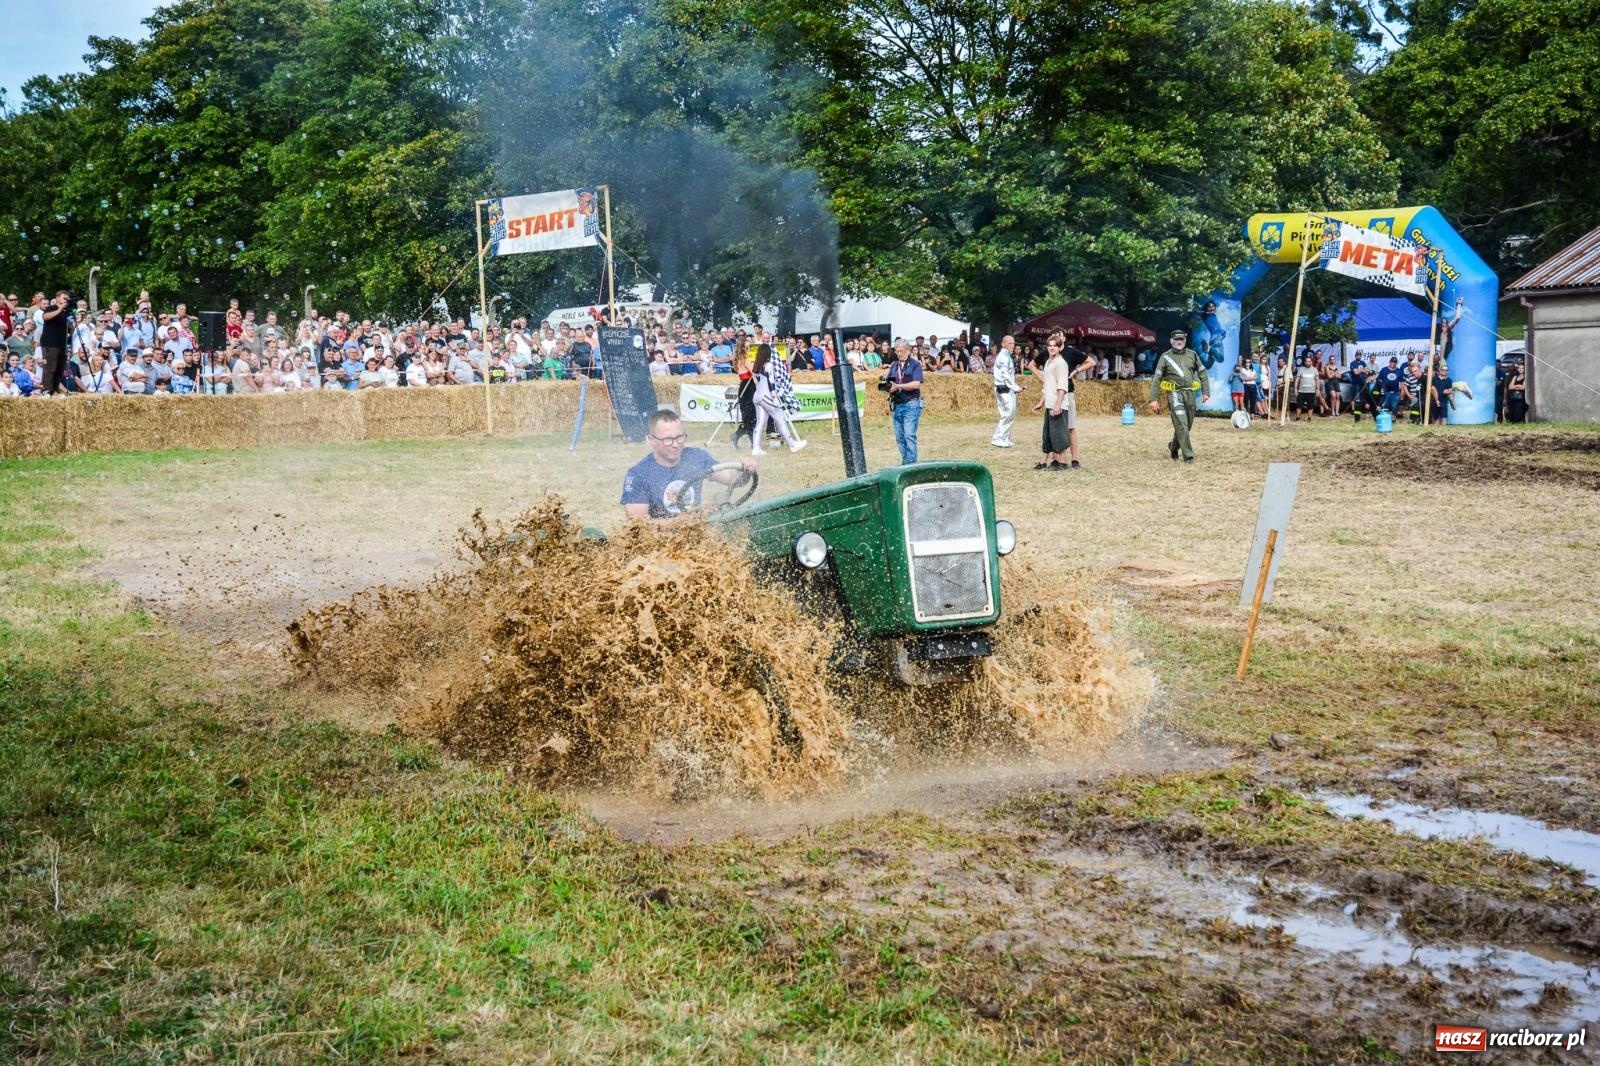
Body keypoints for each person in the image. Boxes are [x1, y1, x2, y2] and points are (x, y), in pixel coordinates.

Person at [620, 410, 757, 520]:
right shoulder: (638, 475)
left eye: (679, 437)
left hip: (696, 533)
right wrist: (691, 520)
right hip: (660, 543)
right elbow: (640, 526)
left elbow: (731, 478)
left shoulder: (697, 457)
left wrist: (744, 470)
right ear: (652, 440)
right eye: (668, 439)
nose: (675, 444)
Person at [1148, 329, 1209, 463]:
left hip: (1190, 394)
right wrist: (1153, 399)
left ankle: (1173, 446)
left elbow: (1203, 372)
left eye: (1181, 339)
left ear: (1185, 341)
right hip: (1174, 394)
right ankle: (1188, 456)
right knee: (1182, 424)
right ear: (1171, 341)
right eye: (1176, 339)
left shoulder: (1193, 355)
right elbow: (1157, 378)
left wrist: (1206, 391)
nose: (1179, 341)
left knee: (1187, 426)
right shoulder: (1165, 357)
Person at [750, 344, 807, 455]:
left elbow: (757, 381)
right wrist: (774, 397)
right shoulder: (769, 365)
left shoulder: (757, 365)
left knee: (760, 423)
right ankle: (792, 445)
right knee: (780, 420)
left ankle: (756, 448)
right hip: (767, 397)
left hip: (757, 396)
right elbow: (771, 383)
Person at [1032, 332, 1071, 470]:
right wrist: (1041, 402)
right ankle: (1043, 462)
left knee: (1059, 434)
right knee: (1048, 434)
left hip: (1058, 405)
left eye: (1055, 345)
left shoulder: (1061, 363)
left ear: (1059, 348)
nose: (1052, 348)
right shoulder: (1048, 362)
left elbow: (1062, 386)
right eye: (1050, 345)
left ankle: (1062, 463)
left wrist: (1058, 404)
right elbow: (1047, 385)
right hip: (1049, 404)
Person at [885, 340, 923, 464]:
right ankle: (907, 461)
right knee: (900, 437)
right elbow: (889, 381)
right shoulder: (894, 365)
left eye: (901, 350)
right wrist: (888, 386)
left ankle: (911, 464)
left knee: (909, 435)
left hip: (911, 403)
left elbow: (916, 384)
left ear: (908, 350)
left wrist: (898, 386)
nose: (899, 353)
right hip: (897, 404)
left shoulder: (915, 364)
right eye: (897, 351)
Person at [990, 334, 1022, 448]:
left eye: (1013, 343)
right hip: (1004, 388)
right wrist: (1015, 387)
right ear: (1003, 344)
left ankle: (1005, 437)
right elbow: (1005, 375)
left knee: (1010, 414)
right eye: (1009, 343)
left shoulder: (1007, 356)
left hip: (1007, 389)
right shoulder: (1003, 357)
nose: (1012, 345)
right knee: (1008, 413)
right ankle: (998, 438)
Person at [731, 339, 758, 450]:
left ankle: (737, 436)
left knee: (748, 418)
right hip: (748, 388)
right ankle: (752, 443)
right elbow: (754, 372)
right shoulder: (745, 359)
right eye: (746, 347)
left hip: (745, 386)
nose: (748, 349)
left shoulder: (738, 359)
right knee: (751, 417)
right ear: (741, 348)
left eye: (749, 347)